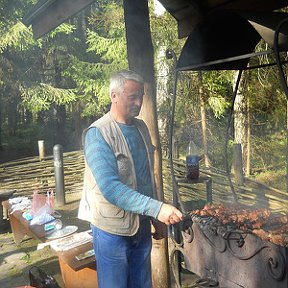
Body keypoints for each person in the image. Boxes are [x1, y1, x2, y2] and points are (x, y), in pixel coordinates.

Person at [78, 70, 183, 288]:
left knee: (142, 284)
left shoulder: (141, 127)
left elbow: (146, 177)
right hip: (112, 230)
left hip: (141, 226)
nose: (138, 102)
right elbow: (111, 188)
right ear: (113, 95)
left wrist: (155, 218)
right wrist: (157, 208)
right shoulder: (98, 134)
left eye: (141, 96)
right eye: (132, 97)